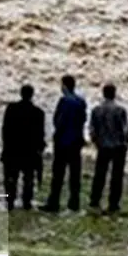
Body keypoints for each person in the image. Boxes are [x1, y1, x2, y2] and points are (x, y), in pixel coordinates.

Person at [41, 75, 87, 214]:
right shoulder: (81, 101)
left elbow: (59, 121)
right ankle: (74, 202)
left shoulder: (64, 101)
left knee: (58, 174)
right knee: (75, 174)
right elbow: (83, 120)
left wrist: (56, 134)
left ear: (65, 86)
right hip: (76, 141)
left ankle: (53, 202)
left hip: (63, 141)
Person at [1, 84, 45, 210]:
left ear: (21, 94)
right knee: (28, 178)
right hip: (29, 151)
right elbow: (40, 134)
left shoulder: (11, 109)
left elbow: (5, 130)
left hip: (12, 150)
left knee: (10, 178)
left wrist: (5, 147)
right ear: (32, 95)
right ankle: (27, 202)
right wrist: (39, 150)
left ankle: (10, 201)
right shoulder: (38, 112)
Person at [89, 84, 128, 214]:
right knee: (116, 176)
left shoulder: (96, 110)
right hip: (118, 146)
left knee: (99, 174)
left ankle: (95, 199)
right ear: (114, 93)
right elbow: (125, 130)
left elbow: (92, 130)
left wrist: (96, 142)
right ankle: (114, 203)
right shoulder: (120, 110)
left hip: (103, 146)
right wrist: (126, 143)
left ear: (103, 94)